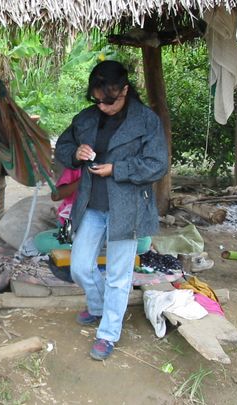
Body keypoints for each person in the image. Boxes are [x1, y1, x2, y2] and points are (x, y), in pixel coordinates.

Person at [55, 60, 168, 360]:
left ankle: (108, 333)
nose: (103, 106)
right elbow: (63, 148)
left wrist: (118, 169)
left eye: (109, 100)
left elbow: (158, 164)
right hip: (91, 203)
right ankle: (98, 307)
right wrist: (75, 154)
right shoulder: (86, 118)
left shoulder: (146, 121)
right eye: (98, 100)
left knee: (119, 275)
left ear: (125, 90)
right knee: (79, 266)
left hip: (127, 207)